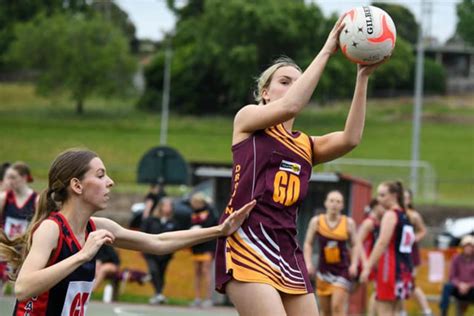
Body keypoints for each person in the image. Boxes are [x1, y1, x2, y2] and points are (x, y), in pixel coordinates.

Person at [214, 14, 387, 316]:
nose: (293, 87)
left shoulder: (306, 145)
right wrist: (327, 49)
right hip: (247, 239)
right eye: (284, 82)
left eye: (298, 81)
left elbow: (350, 138)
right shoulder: (248, 120)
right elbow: (292, 105)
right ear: (265, 93)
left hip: (286, 247)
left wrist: (362, 78)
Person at [0, 149, 256, 315]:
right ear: (77, 185)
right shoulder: (50, 229)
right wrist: (82, 255)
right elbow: (23, 288)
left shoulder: (98, 227)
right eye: (100, 175)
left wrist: (220, 230)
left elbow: (158, 241)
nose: (110, 181)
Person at [360, 181, 415, 316]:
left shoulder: (391, 215)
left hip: (389, 269)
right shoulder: (405, 215)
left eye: (383, 195)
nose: (379, 199)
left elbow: (382, 243)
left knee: (384, 311)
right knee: (395, 311)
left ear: (394, 195)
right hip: (404, 267)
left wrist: (367, 267)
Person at [303, 191, 357, 316]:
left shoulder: (348, 223)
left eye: (338, 202)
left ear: (342, 205)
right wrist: (308, 263)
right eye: (332, 201)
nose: (334, 204)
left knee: (337, 308)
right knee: (325, 311)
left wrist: (354, 264)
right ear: (326, 203)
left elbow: (355, 245)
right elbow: (308, 243)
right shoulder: (317, 221)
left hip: (342, 271)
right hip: (323, 271)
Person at [349, 199, 385, 316]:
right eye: (382, 206)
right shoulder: (369, 223)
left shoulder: (378, 221)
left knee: (375, 290)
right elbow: (358, 242)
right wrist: (365, 262)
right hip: (363, 262)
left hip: (372, 262)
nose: (384, 208)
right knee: (350, 289)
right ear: (375, 206)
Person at [140, 197, 177, 305]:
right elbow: (143, 234)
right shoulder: (151, 220)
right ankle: (159, 294)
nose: (168, 208)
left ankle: (158, 294)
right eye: (166, 205)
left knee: (161, 274)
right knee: (154, 271)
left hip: (166, 254)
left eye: (170, 206)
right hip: (150, 253)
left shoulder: (173, 222)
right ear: (160, 207)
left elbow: (176, 237)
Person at [403, 189, 432, 316]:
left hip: (411, 254)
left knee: (410, 284)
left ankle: (427, 311)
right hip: (399, 254)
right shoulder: (393, 214)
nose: (404, 200)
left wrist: (414, 238)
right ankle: (401, 311)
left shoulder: (413, 215)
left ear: (409, 200)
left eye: (406, 197)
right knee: (400, 284)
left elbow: (423, 230)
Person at [189, 193, 218, 308]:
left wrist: (200, 227)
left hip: (207, 245)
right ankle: (197, 298)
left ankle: (209, 298)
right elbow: (190, 224)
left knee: (206, 271)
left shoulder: (210, 212)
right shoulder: (193, 213)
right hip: (197, 246)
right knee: (197, 272)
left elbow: (212, 226)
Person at [0, 162, 38, 239]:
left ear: (24, 177)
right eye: (8, 178)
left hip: (24, 246)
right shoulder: (4, 198)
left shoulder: (36, 200)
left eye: (13, 177)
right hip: (6, 247)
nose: (10, 181)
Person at [439, 235, 474, 316]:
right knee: (447, 287)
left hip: (471, 289)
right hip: (458, 288)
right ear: (463, 247)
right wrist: (459, 285)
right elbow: (452, 276)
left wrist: (468, 285)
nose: (468, 249)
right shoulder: (456, 258)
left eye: (470, 247)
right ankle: (443, 312)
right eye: (466, 246)